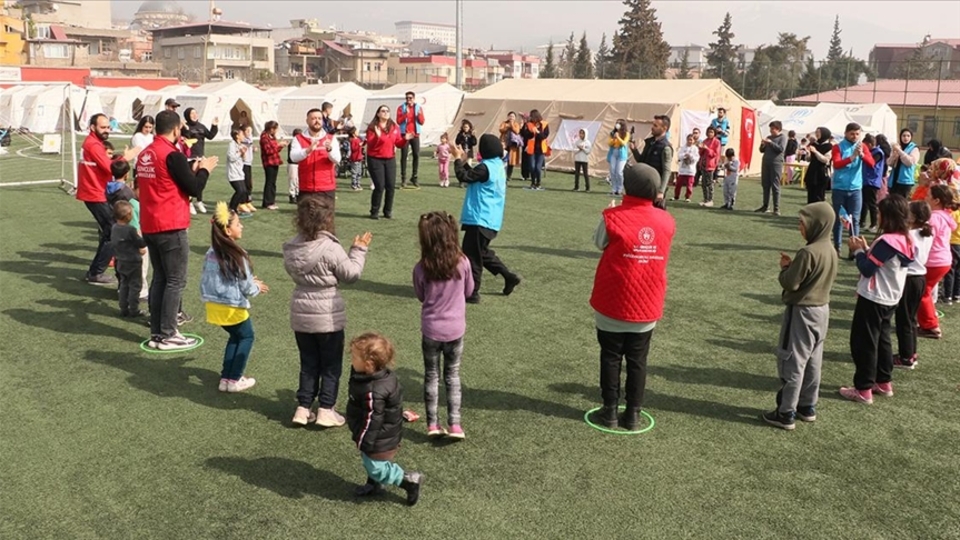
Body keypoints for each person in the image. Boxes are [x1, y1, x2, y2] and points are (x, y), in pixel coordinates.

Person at [589, 162, 675, 430]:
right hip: (647, 303)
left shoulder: (613, 216)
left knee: (610, 356)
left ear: (627, 186)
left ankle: (610, 411)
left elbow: (598, 242)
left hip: (612, 301)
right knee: (638, 359)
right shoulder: (667, 221)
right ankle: (634, 414)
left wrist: (614, 212)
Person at [283, 196, 371, 427]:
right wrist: (359, 250)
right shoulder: (330, 247)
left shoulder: (293, 247)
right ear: (327, 219)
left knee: (308, 362)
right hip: (327, 314)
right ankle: (325, 408)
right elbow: (351, 275)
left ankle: (303, 408)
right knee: (331, 364)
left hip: (301, 310)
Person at [137, 110, 218, 351]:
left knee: (160, 277)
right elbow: (193, 188)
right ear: (175, 130)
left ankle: (158, 332)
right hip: (170, 223)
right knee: (175, 280)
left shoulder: (145, 154)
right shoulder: (171, 154)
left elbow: (163, 181)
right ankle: (169, 332)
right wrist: (205, 169)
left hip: (150, 223)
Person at [762, 202, 838, 430]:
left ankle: (785, 412)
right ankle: (807, 406)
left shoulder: (808, 252)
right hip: (822, 310)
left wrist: (786, 269)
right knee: (814, 360)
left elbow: (791, 283)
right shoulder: (831, 249)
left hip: (802, 312)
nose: (800, 227)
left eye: (803, 223)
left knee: (792, 360)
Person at [840, 194, 913, 405]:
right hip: (891, 297)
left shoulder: (887, 242)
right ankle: (883, 381)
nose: (878, 216)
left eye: (880, 213)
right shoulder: (905, 239)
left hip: (874, 297)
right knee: (882, 339)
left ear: (887, 216)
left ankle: (863, 388)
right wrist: (867, 249)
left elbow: (867, 268)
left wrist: (859, 252)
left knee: (864, 342)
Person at [413, 211, 474, 439]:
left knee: (431, 375)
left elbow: (420, 295)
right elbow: (469, 291)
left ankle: (432, 425)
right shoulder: (463, 263)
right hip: (455, 329)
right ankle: (455, 425)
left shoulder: (421, 268)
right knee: (453, 375)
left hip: (431, 330)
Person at [346, 332, 424, 505]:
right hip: (383, 434)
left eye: (354, 357)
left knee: (376, 466)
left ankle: (409, 481)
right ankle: (374, 485)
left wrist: (363, 440)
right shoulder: (374, 376)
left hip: (379, 437)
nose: (351, 360)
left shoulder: (374, 390)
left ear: (368, 364)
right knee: (372, 461)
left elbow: (372, 420)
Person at [201, 202, 268, 393]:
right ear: (228, 231)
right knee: (247, 336)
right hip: (231, 307)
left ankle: (226, 378)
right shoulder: (238, 255)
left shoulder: (211, 252)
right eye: (238, 224)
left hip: (214, 305)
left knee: (235, 336)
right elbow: (246, 287)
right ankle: (235, 379)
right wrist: (257, 286)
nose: (242, 226)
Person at [453, 134, 521, 303]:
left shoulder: (485, 168)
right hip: (491, 219)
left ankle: (473, 292)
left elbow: (464, 177)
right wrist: (463, 160)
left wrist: (456, 159)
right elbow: (474, 174)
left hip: (479, 218)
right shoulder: (497, 165)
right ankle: (508, 276)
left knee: (472, 256)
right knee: (481, 253)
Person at [77, 113, 139, 285]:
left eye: (108, 127)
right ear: (92, 127)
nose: (107, 130)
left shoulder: (92, 143)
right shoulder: (93, 145)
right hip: (95, 193)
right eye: (103, 127)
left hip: (95, 192)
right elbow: (110, 167)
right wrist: (126, 157)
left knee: (109, 231)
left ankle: (97, 269)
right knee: (113, 231)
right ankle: (96, 272)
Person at [892, 200, 934, 370]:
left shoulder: (909, 236)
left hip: (909, 278)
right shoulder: (926, 233)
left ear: (914, 217)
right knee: (910, 318)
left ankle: (906, 357)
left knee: (904, 319)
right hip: (920, 277)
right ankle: (911, 353)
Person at [916, 185, 958, 339]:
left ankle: (931, 326)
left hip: (934, 260)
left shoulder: (934, 217)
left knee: (922, 292)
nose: (925, 198)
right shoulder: (945, 216)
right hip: (943, 260)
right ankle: (924, 321)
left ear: (936, 200)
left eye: (928, 196)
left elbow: (925, 236)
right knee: (924, 291)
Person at [106, 159, 149, 301]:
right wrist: (141, 245)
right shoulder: (132, 202)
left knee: (122, 268)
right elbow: (135, 226)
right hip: (132, 243)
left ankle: (122, 290)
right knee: (139, 269)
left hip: (117, 234)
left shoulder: (110, 189)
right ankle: (140, 293)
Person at [830, 123, 875, 257]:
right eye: (852, 134)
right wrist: (852, 157)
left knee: (855, 219)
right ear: (845, 133)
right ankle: (837, 248)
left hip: (856, 189)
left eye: (857, 134)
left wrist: (862, 155)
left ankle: (853, 249)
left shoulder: (863, 146)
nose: (855, 136)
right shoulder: (838, 147)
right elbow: (837, 164)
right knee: (839, 219)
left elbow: (872, 163)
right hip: (839, 188)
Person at [289, 109, 341, 208]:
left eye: (319, 118)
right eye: (313, 118)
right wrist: (307, 151)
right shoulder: (298, 139)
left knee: (325, 221)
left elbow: (337, 159)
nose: (317, 121)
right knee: (306, 221)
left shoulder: (331, 138)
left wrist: (329, 149)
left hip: (326, 187)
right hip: (306, 187)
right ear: (307, 121)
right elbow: (293, 157)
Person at [366, 105, 411, 220]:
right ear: (378, 114)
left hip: (390, 159)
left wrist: (405, 139)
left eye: (387, 111)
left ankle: (387, 211)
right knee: (380, 186)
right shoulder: (372, 128)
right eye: (383, 111)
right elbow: (371, 145)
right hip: (375, 159)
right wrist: (377, 136)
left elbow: (398, 144)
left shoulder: (394, 127)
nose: (385, 113)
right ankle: (374, 211)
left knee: (390, 186)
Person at [111, 200, 147, 318]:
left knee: (124, 285)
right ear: (129, 215)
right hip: (133, 262)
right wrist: (146, 236)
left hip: (121, 261)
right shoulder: (130, 229)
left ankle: (123, 308)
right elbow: (140, 243)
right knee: (135, 286)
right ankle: (134, 309)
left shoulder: (114, 228)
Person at [630, 115, 674, 209]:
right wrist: (634, 150)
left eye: (655, 125)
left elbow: (667, 171)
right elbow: (642, 161)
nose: (652, 127)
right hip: (645, 185)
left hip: (656, 188)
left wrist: (661, 191)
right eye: (653, 124)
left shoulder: (665, 147)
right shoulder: (650, 142)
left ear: (664, 128)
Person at [181, 107, 218, 214]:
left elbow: (210, 136)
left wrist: (214, 125)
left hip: (200, 157)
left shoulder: (201, 126)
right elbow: (185, 139)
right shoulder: (185, 127)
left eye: (195, 113)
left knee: (200, 179)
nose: (194, 115)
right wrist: (186, 129)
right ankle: (190, 203)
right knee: (190, 181)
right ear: (187, 115)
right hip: (189, 158)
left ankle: (199, 201)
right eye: (192, 113)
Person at [755, 121, 787, 215]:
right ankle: (765, 206)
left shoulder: (782, 137)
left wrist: (771, 143)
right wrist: (763, 144)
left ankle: (776, 208)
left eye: (773, 128)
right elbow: (762, 150)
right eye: (770, 128)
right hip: (766, 162)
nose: (771, 130)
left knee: (775, 185)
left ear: (778, 129)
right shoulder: (769, 137)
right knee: (765, 184)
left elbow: (781, 149)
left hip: (776, 163)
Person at [860, 134, 887, 233]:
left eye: (865, 145)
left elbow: (871, 163)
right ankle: (861, 222)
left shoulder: (878, 153)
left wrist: (863, 156)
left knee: (872, 203)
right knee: (864, 202)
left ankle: (874, 224)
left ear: (870, 144)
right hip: (865, 180)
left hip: (872, 181)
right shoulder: (870, 151)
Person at [259, 120, 289, 210]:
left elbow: (275, 150)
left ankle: (271, 201)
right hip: (269, 162)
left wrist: (281, 146)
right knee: (269, 182)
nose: (276, 131)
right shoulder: (264, 137)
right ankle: (268, 202)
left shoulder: (271, 136)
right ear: (271, 129)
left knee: (273, 183)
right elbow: (268, 151)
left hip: (275, 161)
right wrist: (278, 144)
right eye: (275, 129)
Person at [397, 92, 424, 188]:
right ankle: (403, 178)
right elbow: (398, 121)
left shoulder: (418, 108)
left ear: (414, 98)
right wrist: (405, 114)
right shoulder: (401, 108)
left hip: (415, 134)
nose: (409, 100)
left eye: (410, 98)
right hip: (405, 134)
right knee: (404, 156)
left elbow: (422, 122)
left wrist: (418, 115)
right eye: (407, 98)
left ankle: (414, 176)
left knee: (416, 155)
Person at [521, 110, 550, 191]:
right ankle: (533, 182)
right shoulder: (529, 124)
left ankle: (538, 183)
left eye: (531, 116)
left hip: (541, 149)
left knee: (538, 167)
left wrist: (537, 132)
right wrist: (530, 131)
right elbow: (525, 135)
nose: (530, 118)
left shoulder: (544, 124)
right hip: (531, 149)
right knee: (532, 167)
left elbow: (544, 136)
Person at [803, 127, 834, 204]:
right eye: (816, 132)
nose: (816, 134)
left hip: (821, 172)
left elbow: (826, 160)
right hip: (812, 171)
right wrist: (808, 153)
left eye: (819, 132)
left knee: (819, 195)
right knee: (810, 195)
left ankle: (819, 214)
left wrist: (815, 152)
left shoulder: (829, 146)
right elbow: (809, 159)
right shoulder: (814, 144)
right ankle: (810, 214)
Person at [888, 128, 920, 198]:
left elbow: (910, 162)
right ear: (900, 137)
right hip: (894, 179)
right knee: (892, 203)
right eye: (904, 135)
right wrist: (894, 156)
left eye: (908, 136)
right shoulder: (897, 146)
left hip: (905, 181)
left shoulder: (914, 148)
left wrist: (900, 151)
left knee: (901, 203)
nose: (906, 138)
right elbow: (889, 163)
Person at [226, 128, 251, 215]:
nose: (243, 136)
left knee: (244, 191)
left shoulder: (240, 145)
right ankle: (231, 208)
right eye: (242, 134)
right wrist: (240, 153)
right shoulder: (232, 145)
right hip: (233, 173)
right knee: (239, 191)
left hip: (239, 173)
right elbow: (231, 158)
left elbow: (243, 159)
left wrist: (243, 153)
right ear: (237, 136)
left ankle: (235, 207)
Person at [942, 191, 960, 306]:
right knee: (958, 271)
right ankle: (957, 294)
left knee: (950, 270)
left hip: (953, 243)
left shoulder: (954, 215)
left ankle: (948, 295)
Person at [697, 127, 720, 207]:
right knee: (703, 183)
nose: (710, 133)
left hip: (710, 165)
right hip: (703, 164)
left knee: (709, 183)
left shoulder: (716, 142)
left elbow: (715, 154)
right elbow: (700, 153)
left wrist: (707, 149)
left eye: (712, 132)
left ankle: (710, 200)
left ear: (714, 133)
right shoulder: (705, 141)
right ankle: (705, 199)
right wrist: (701, 148)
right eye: (709, 132)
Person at [606, 120, 630, 196]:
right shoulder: (612, 133)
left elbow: (623, 143)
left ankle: (620, 189)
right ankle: (614, 188)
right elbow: (609, 143)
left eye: (619, 123)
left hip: (621, 154)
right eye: (616, 123)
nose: (617, 125)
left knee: (619, 172)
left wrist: (618, 137)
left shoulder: (626, 134)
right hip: (613, 153)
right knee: (612, 171)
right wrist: (614, 139)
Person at [674, 133, 699, 202]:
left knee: (689, 185)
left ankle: (687, 197)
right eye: (688, 140)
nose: (690, 141)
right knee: (678, 184)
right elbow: (679, 155)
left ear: (694, 141)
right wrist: (685, 155)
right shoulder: (683, 147)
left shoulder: (695, 149)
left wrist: (690, 156)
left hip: (690, 170)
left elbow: (696, 158)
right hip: (682, 170)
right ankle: (676, 196)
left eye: (691, 140)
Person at [499, 111, 522, 181]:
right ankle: (501, 174)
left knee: (511, 161)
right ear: (508, 117)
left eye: (513, 116)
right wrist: (507, 126)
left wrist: (511, 125)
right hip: (504, 144)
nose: (511, 117)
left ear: (515, 118)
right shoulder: (504, 123)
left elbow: (517, 131)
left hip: (513, 145)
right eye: (510, 116)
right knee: (502, 159)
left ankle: (509, 175)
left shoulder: (516, 124)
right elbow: (501, 129)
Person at [286, 128, 302, 204]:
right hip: (293, 164)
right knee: (292, 180)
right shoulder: (293, 143)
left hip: (299, 164)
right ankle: (292, 195)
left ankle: (298, 194)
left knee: (298, 181)